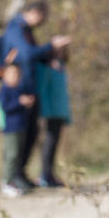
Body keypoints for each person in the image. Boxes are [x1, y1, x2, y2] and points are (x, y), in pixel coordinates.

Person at [0, 0, 70, 189]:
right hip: (19, 90)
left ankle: (21, 175)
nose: (44, 20)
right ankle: (12, 177)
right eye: (44, 15)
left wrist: (52, 57)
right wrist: (50, 46)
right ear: (34, 12)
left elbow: (33, 57)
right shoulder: (16, 29)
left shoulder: (27, 31)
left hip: (31, 89)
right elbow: (28, 54)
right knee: (19, 136)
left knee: (31, 133)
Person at [0, 59, 36, 198]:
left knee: (18, 155)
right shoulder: (5, 91)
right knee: (11, 156)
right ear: (5, 75)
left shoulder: (19, 89)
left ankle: (15, 180)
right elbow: (5, 107)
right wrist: (20, 102)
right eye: (12, 73)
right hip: (11, 129)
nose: (15, 76)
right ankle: (6, 182)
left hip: (21, 128)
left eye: (17, 74)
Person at [36, 45, 71, 188]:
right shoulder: (45, 67)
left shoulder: (62, 66)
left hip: (60, 111)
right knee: (48, 144)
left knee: (54, 143)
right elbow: (43, 90)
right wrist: (42, 112)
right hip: (49, 111)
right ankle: (45, 175)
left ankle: (49, 174)